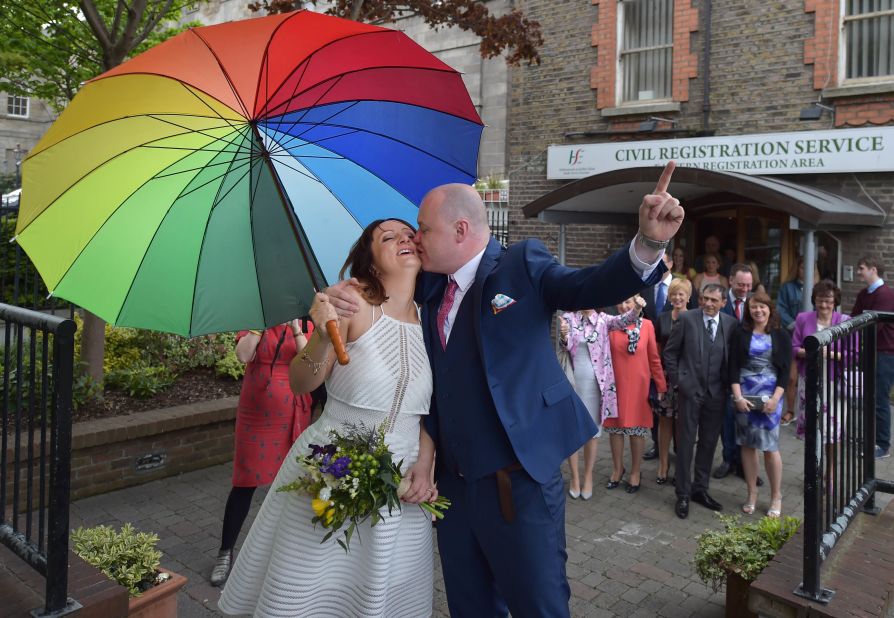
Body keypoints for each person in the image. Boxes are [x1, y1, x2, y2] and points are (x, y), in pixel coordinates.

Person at [326, 162, 683, 616]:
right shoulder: (430, 285)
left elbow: (586, 284)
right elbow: (404, 339)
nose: (415, 239)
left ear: (460, 229)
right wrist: (344, 297)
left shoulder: (522, 264)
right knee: (470, 606)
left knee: (539, 605)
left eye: (423, 229)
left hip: (518, 481)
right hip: (453, 489)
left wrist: (649, 243)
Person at [218, 219, 438, 617]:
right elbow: (302, 382)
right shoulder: (352, 305)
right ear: (369, 261)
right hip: (333, 464)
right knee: (316, 588)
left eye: (410, 234)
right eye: (389, 237)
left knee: (386, 592)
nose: (405, 239)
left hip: (405, 483)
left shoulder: (434, 317)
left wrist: (425, 466)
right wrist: (321, 334)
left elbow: (432, 413)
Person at [209, 319, 313, 587]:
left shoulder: (306, 318)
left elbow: (310, 363)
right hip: (256, 409)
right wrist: (259, 327)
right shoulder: (256, 317)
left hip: (292, 406)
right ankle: (225, 551)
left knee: (293, 484)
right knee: (244, 482)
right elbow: (244, 355)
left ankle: (286, 557)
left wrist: (295, 328)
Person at [559, 296, 646, 500]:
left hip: (596, 386)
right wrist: (563, 336)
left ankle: (588, 476)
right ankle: (574, 478)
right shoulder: (568, 318)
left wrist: (637, 309)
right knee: (572, 430)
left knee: (593, 432)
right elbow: (564, 347)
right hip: (571, 383)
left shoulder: (604, 319)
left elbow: (624, 321)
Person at [663, 283, 736, 519]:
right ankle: (682, 493)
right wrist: (679, 382)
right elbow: (670, 353)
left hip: (716, 394)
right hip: (689, 392)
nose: (709, 304)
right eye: (705, 299)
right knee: (685, 444)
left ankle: (700, 490)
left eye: (714, 300)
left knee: (708, 443)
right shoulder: (687, 320)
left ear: (724, 302)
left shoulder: (730, 325)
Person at [729, 292, 792, 518]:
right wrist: (737, 397)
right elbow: (732, 367)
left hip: (770, 396)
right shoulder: (740, 333)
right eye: (754, 307)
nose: (758, 311)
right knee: (747, 445)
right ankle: (752, 493)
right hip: (745, 395)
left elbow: (785, 372)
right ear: (749, 310)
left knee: (770, 447)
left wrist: (776, 399)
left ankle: (776, 496)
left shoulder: (781, 335)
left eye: (762, 307)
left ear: (770, 309)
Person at [603, 296, 666, 494]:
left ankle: (636, 472)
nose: (623, 305)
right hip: (615, 385)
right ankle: (617, 468)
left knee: (637, 431)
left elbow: (654, 358)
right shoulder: (610, 325)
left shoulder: (647, 325)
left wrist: (661, 385)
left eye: (628, 302)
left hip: (639, 387)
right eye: (620, 302)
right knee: (615, 429)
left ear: (637, 303)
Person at [791, 280, 850, 441]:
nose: (823, 305)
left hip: (835, 382)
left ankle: (830, 467)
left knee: (832, 431)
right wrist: (812, 352)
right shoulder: (802, 318)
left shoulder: (845, 321)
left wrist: (830, 354)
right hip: (809, 380)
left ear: (835, 301)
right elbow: (794, 348)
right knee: (810, 428)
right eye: (819, 300)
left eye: (828, 301)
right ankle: (812, 465)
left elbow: (853, 354)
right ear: (814, 300)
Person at [851, 255, 894, 459]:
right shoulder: (863, 294)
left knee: (879, 399)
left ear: (873, 269)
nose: (858, 272)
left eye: (861, 268)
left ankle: (883, 445)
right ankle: (870, 438)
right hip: (869, 351)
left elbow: (875, 326)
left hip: (885, 354)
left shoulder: (886, 294)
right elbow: (853, 320)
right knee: (868, 397)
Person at [715, 263, 754, 482]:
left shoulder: (755, 304)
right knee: (727, 418)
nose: (745, 289)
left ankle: (745, 464)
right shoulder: (720, 302)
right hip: (722, 370)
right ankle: (728, 458)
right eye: (740, 284)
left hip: (747, 373)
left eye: (748, 285)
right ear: (730, 281)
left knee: (747, 419)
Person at [654, 277, 692, 484]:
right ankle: (662, 464)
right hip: (667, 377)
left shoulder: (695, 318)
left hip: (687, 378)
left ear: (688, 297)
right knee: (665, 421)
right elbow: (658, 349)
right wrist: (658, 376)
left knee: (683, 423)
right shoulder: (663, 318)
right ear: (669, 297)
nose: (677, 297)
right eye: (674, 294)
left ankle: (681, 466)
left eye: (681, 294)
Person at [642, 252, 674, 461]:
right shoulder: (644, 288)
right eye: (656, 264)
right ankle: (656, 444)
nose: (659, 267)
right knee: (654, 401)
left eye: (663, 263)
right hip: (649, 356)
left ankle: (677, 447)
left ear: (671, 264)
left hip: (675, 356)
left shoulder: (682, 289)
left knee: (674, 405)